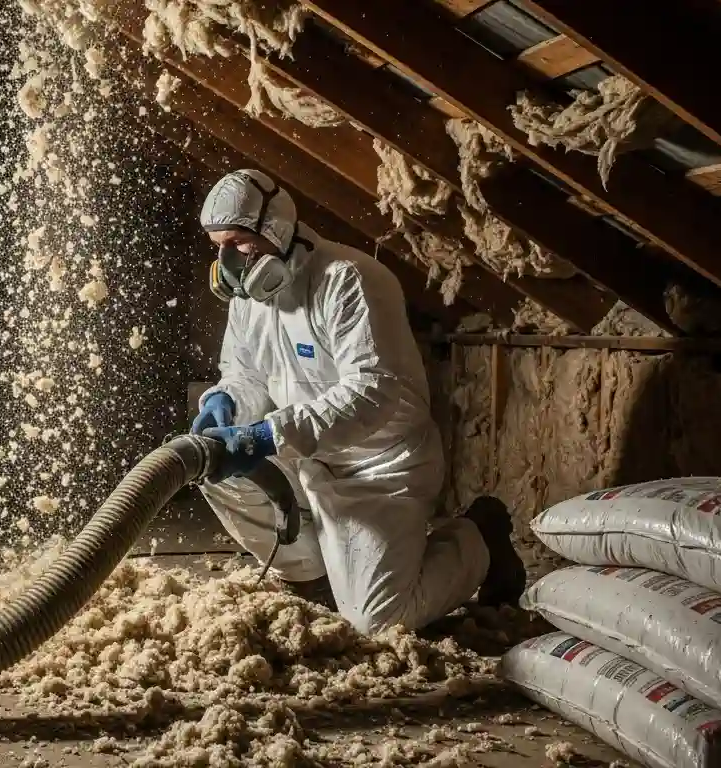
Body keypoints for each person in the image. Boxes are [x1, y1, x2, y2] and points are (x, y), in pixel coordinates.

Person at [190, 169, 525, 634]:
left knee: (379, 622)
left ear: (278, 232)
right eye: (219, 248)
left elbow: (372, 393)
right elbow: (245, 372)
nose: (230, 265)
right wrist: (226, 400)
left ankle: (478, 539)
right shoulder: (248, 296)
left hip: (375, 465)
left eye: (241, 248)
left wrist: (268, 435)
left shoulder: (349, 280)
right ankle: (313, 581)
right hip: (302, 455)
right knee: (209, 465)